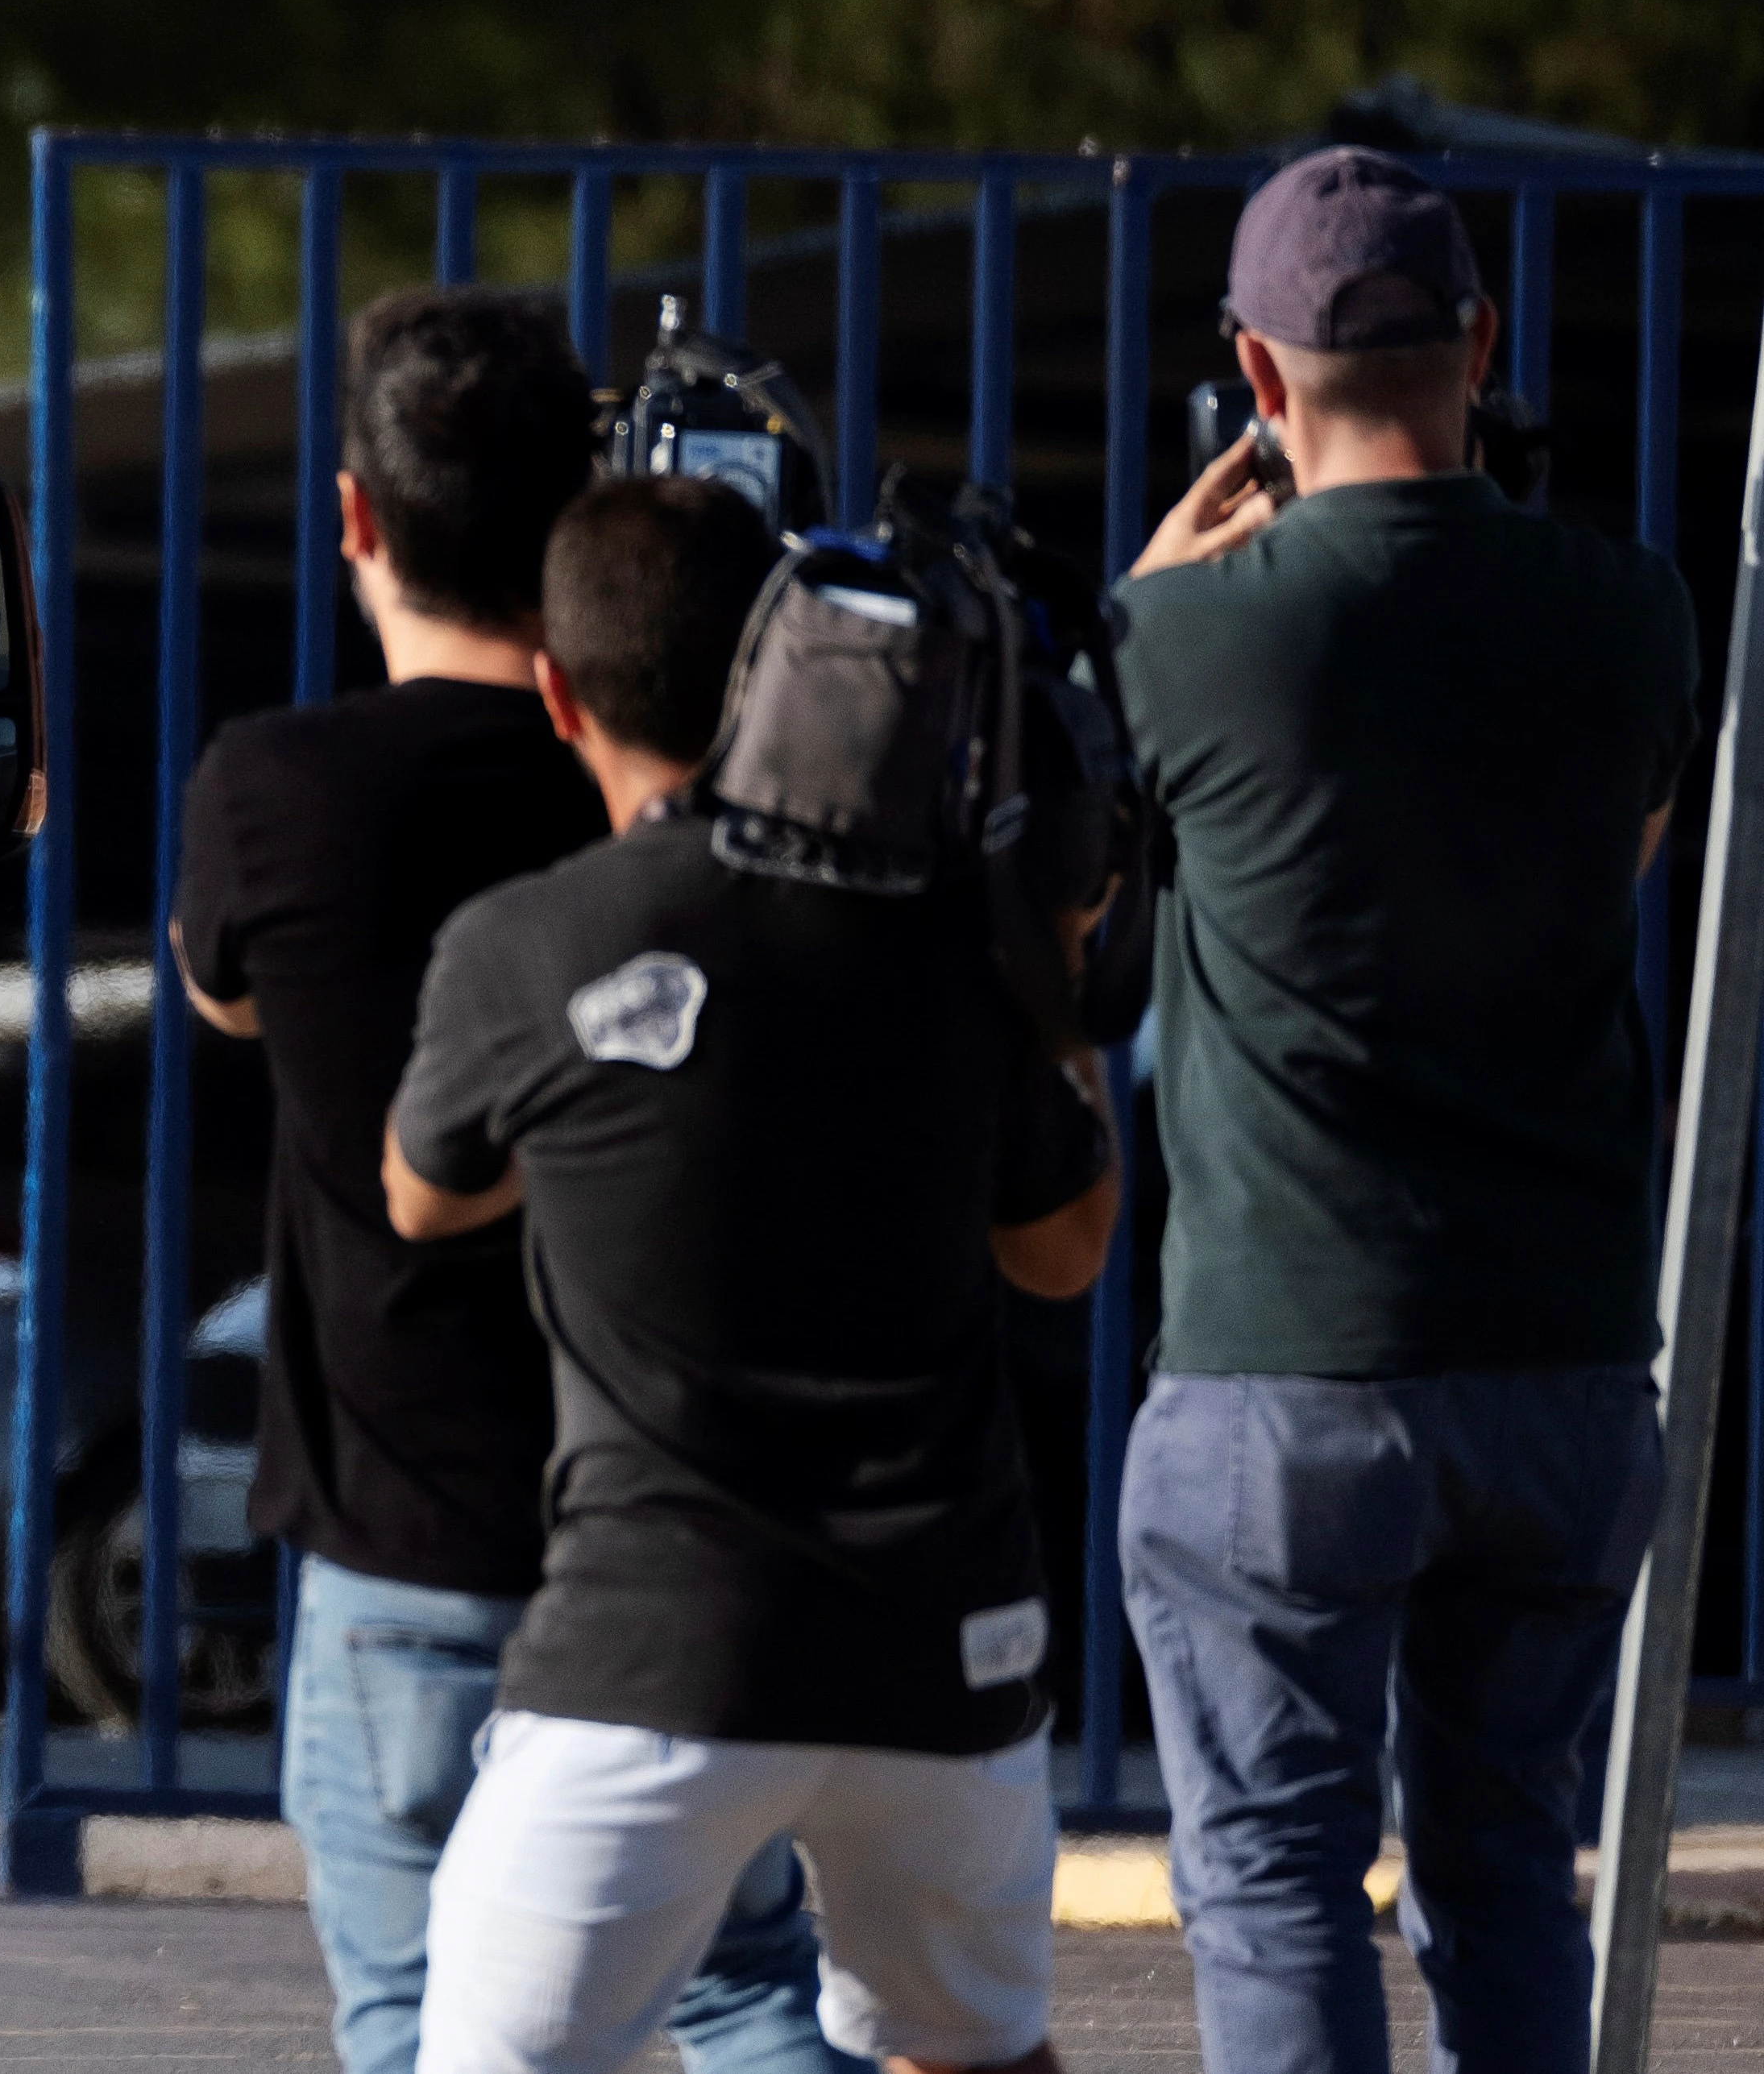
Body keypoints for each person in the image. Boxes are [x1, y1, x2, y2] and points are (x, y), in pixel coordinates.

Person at [172, 291, 851, 2074]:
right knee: (746, 1991)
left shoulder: (272, 792)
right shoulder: (659, 789)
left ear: (353, 518)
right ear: (586, 511)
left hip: (400, 1540)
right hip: (666, 1521)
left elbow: (221, 984)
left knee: (416, 2022)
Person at [393, 475, 1122, 2074]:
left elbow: (422, 1196)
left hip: (655, 1646)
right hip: (949, 1641)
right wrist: (1044, 991)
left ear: (558, 691)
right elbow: (1068, 1254)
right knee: (975, 2049)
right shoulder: (949, 930)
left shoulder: (526, 942)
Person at [1112, 146, 1700, 2074]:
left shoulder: (1194, 635)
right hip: (1559, 1355)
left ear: (1255, 383)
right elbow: (1619, 853)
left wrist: (1140, 597)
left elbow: (1084, 844)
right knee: (1509, 1868)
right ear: (1481, 338)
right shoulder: (1630, 614)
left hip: (1290, 1352)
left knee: (1280, 1875)